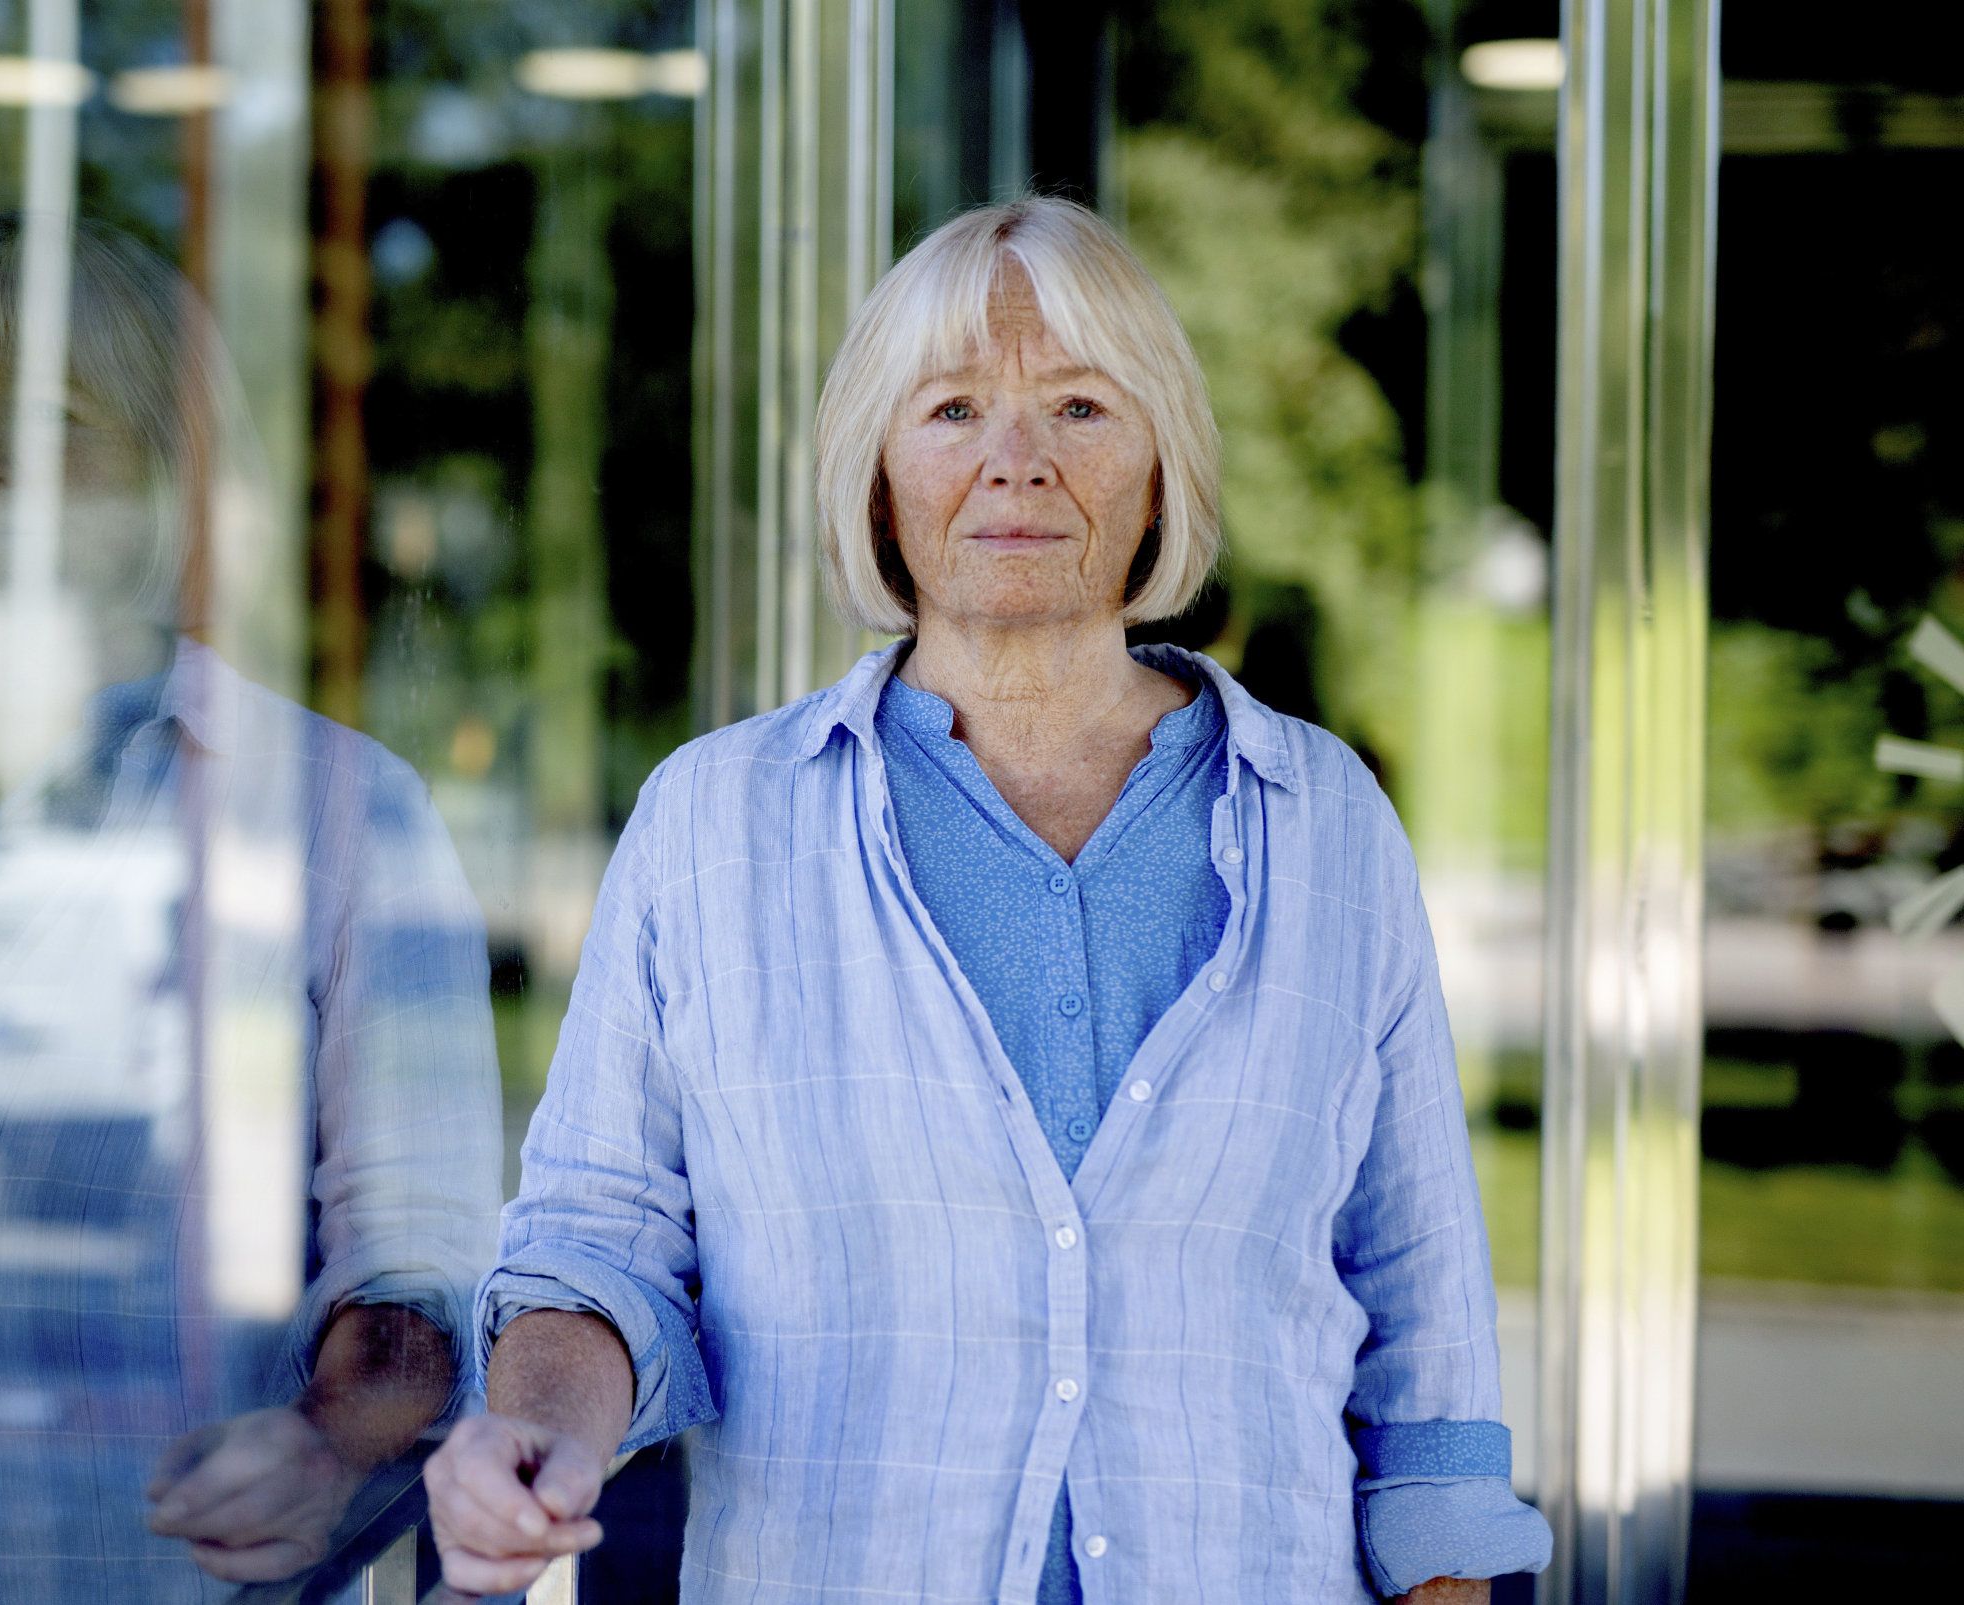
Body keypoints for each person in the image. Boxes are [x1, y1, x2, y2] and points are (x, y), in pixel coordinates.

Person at [424, 196, 1553, 1603]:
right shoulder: (713, 826)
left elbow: (1426, 1344)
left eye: (1081, 405)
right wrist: (531, 1432)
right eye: (952, 409)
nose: (1016, 463)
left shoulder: (1325, 822)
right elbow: (594, 1254)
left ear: (1161, 466)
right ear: (877, 470)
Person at [0, 214, 501, 1603]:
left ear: (169, 474)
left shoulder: (339, 817)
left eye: (54, 424)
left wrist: (324, 1443)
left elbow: (426, 1277)